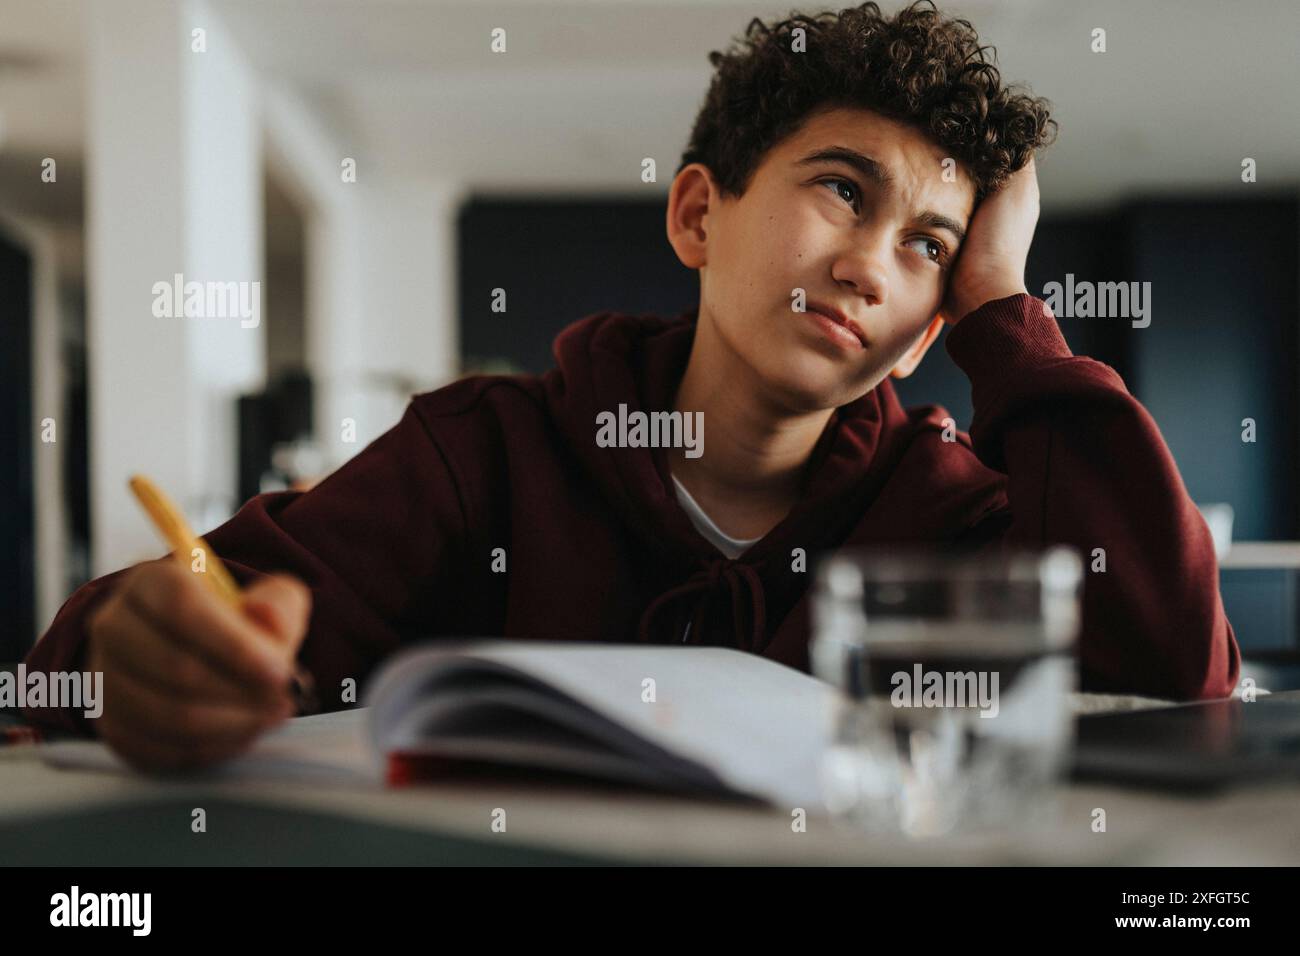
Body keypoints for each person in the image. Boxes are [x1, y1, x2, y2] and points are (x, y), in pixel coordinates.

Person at [23, 1, 1240, 770]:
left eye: (930, 246)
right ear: (700, 213)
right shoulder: (481, 454)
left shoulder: (951, 507)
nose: (872, 264)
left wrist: (1007, 321)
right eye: (843, 190)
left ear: (933, 329)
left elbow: (1177, 691)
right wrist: (145, 654)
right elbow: (82, 670)